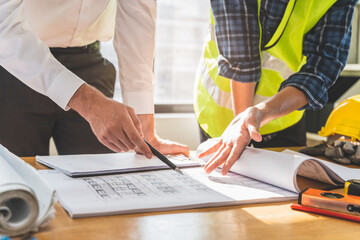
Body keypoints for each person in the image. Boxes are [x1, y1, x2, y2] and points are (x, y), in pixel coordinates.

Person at [0, 0, 189, 158]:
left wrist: (145, 131)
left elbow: (136, 18)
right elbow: (3, 26)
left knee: (99, 184)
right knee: (20, 190)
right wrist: (89, 102)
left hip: (90, 63)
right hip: (17, 65)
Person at [194, 0, 358, 175]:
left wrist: (262, 112)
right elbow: (241, 58)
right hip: (224, 112)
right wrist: (243, 126)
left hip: (285, 113)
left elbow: (323, 65)